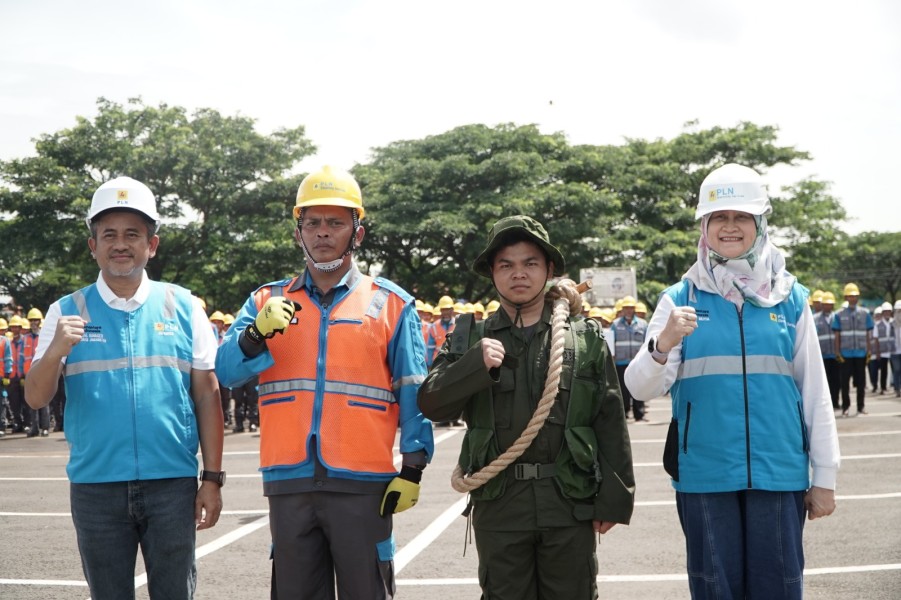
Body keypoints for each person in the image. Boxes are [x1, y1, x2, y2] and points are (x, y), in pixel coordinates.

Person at [215, 165, 434, 599]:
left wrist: (412, 468)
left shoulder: (391, 304)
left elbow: (413, 390)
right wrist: (255, 334)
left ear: (358, 233)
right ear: (298, 233)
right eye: (312, 222)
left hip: (363, 481)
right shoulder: (265, 301)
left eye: (335, 222)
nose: (322, 232)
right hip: (288, 480)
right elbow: (226, 371)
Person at [625, 163, 840, 600]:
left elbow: (815, 393)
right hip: (704, 473)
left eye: (742, 216)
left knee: (778, 588)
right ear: (704, 227)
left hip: (779, 472)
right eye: (718, 217)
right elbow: (639, 388)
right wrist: (663, 343)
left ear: (760, 224)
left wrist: (825, 476)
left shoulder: (790, 298)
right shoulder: (679, 298)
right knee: (714, 589)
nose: (729, 226)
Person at [24, 176, 224, 600]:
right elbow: (36, 397)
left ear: (152, 245)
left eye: (132, 234)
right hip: (96, 488)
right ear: (92, 245)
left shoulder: (185, 306)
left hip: (171, 485)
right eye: (108, 234)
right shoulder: (64, 311)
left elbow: (207, 395)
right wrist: (56, 350)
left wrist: (212, 479)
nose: (120, 244)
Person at [419, 215, 635, 600]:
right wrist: (473, 366)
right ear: (492, 272)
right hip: (499, 505)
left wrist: (614, 500)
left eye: (530, 263)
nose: (518, 273)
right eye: (506, 265)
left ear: (549, 270)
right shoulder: (469, 336)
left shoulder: (584, 338)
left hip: (569, 501)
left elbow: (609, 418)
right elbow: (432, 404)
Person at [833, 282, 873, 416]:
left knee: (861, 382)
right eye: (850, 296)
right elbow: (837, 335)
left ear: (858, 297)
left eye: (855, 296)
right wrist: (837, 351)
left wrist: (869, 350)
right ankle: (845, 407)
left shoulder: (865, 313)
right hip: (845, 354)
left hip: (861, 353)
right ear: (846, 297)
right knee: (844, 382)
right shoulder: (839, 314)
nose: (853, 298)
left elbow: (867, 334)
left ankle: (861, 407)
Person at [612, 295, 649, 421]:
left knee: (639, 387)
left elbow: (647, 343)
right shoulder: (615, 325)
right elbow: (611, 343)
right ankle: (625, 413)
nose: (628, 310)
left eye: (631, 308)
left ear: (634, 309)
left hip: (638, 362)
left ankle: (639, 414)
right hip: (621, 362)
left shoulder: (643, 324)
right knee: (623, 389)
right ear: (622, 309)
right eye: (626, 308)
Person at [22, 308, 50, 436]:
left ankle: (45, 427)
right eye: (31, 320)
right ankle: (35, 428)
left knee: (44, 401)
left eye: (36, 320)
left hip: (43, 372)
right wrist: (22, 374)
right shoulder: (25, 338)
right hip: (29, 374)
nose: (33, 322)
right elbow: (21, 357)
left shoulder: (44, 336)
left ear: (40, 321)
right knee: (32, 402)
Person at [814, 292, 841, 409]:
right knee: (825, 381)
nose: (827, 306)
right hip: (822, 355)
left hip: (835, 355)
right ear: (822, 305)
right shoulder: (815, 318)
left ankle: (835, 402)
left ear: (833, 305)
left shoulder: (837, 317)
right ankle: (827, 404)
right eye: (825, 304)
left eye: (830, 304)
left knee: (837, 380)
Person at [871, 302, 894, 395]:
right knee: (884, 370)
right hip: (883, 351)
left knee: (896, 369)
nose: (887, 313)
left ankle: (896, 387)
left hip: (893, 350)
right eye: (885, 311)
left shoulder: (894, 322)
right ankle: (883, 387)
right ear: (883, 313)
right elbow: (876, 339)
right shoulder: (877, 325)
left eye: (889, 311)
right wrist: (878, 352)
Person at [426, 295, 455, 367]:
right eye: (443, 309)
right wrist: (430, 365)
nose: (445, 312)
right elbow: (430, 348)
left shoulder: (458, 324)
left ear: (452, 310)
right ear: (440, 310)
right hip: (437, 363)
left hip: (453, 363)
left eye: (447, 309)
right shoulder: (434, 326)